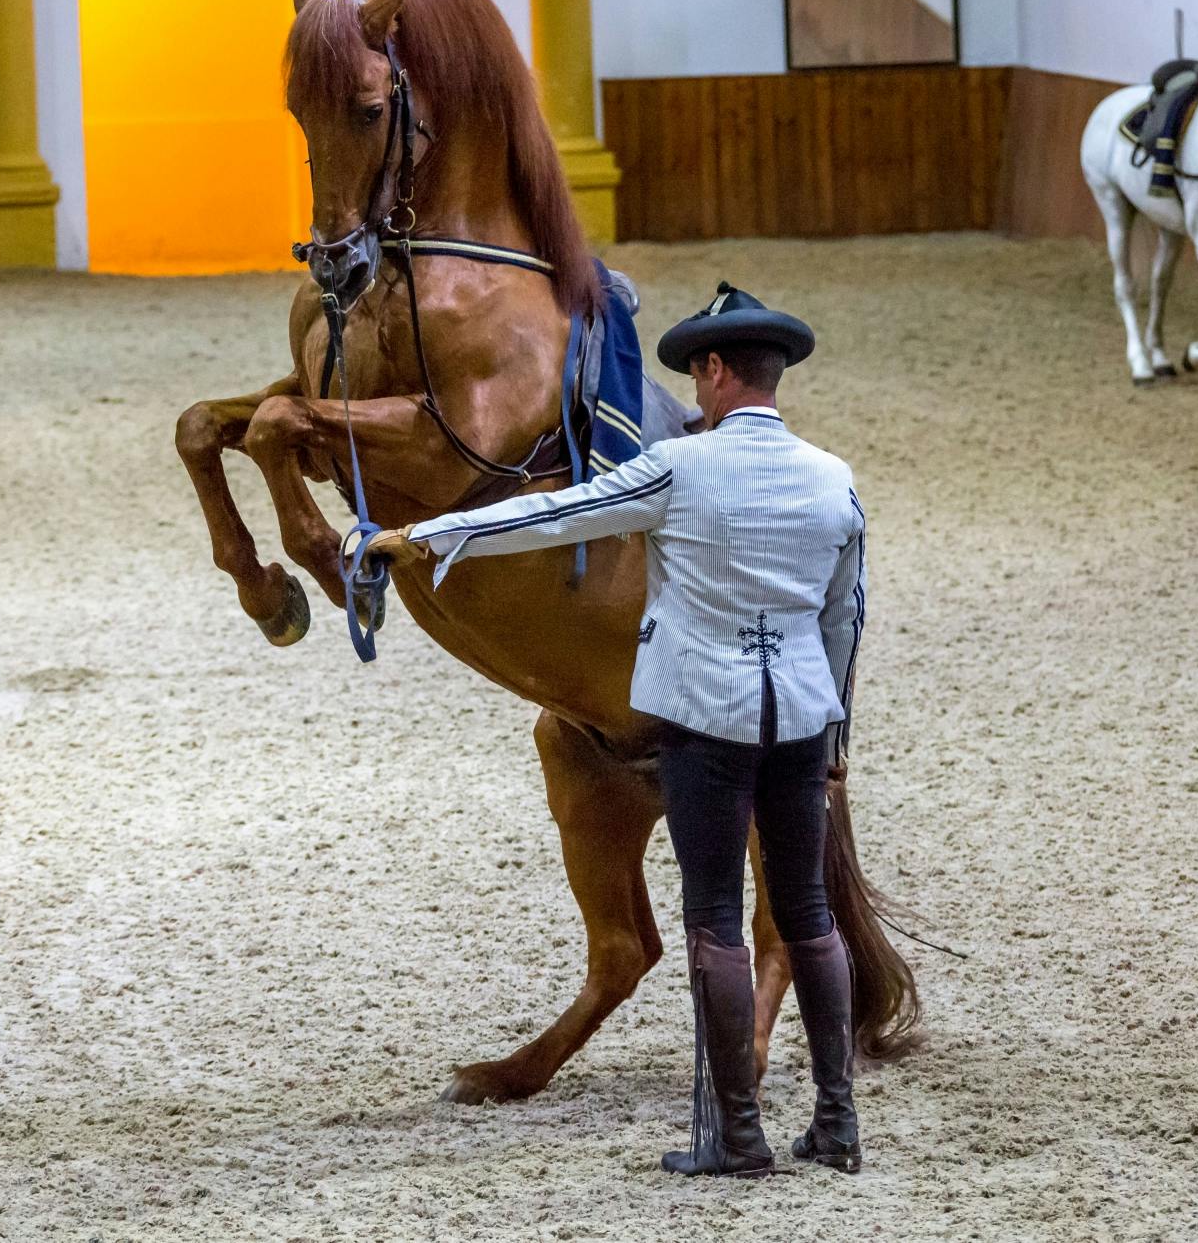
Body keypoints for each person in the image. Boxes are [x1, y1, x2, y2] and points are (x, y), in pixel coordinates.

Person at [367, 282, 866, 1178]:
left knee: (714, 922)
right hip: (798, 722)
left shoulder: (682, 465)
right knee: (813, 918)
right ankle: (836, 1123)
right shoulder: (833, 477)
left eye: (697, 373)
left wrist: (429, 535)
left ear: (714, 372)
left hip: (706, 722)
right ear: (775, 374)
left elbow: (550, 513)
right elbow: (845, 617)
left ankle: (738, 1135)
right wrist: (831, 734)